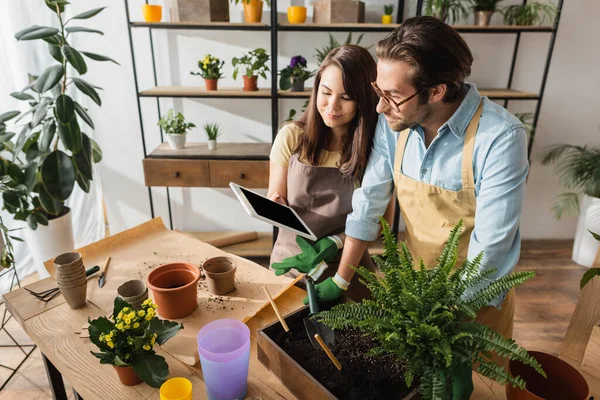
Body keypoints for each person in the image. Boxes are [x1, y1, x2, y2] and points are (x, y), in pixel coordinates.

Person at [313, 16, 529, 367]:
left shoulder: (500, 138)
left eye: (393, 96)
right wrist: (341, 279)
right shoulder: (393, 123)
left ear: (437, 91)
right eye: (378, 92)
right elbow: (368, 203)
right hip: (412, 300)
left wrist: (443, 331)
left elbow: (489, 252)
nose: (380, 107)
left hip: (473, 310)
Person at [268, 45, 392, 300]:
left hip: (348, 266)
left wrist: (334, 241)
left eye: (346, 97)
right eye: (326, 93)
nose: (332, 106)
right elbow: (276, 196)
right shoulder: (291, 137)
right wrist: (274, 205)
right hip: (294, 262)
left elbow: (383, 224)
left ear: (363, 99)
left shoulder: (375, 149)